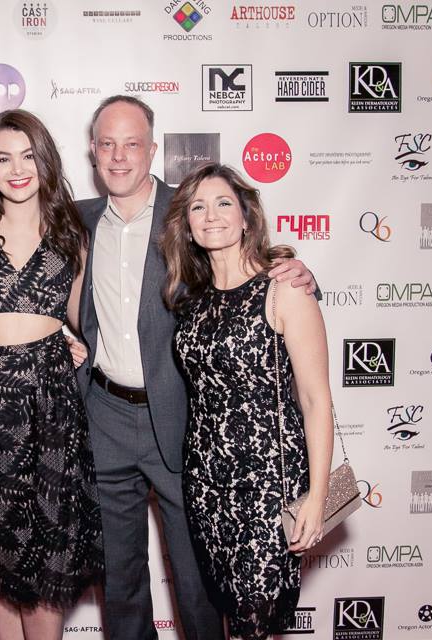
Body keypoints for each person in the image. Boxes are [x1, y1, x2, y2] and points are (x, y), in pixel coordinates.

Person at [74, 95, 316, 640]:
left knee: (198, 580)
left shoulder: (186, 216)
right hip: (105, 414)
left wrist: (297, 270)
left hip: (185, 423)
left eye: (132, 143)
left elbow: (243, 268)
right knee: (120, 580)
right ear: (92, 152)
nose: (119, 157)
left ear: (152, 150)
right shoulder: (80, 220)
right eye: (107, 144)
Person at [160, 162, 334, 640]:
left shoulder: (284, 290)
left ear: (246, 217)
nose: (211, 215)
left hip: (267, 484)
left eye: (223, 203)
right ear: (187, 225)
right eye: (198, 206)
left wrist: (316, 497)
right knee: (226, 612)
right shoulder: (191, 298)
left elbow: (317, 400)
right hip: (205, 480)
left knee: (255, 620)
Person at [0, 109, 103, 640]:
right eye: (2, 157)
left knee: (48, 563)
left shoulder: (73, 234)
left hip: (51, 409)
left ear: (46, 160)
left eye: (28, 155)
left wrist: (68, 338)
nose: (17, 169)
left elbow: (89, 319)